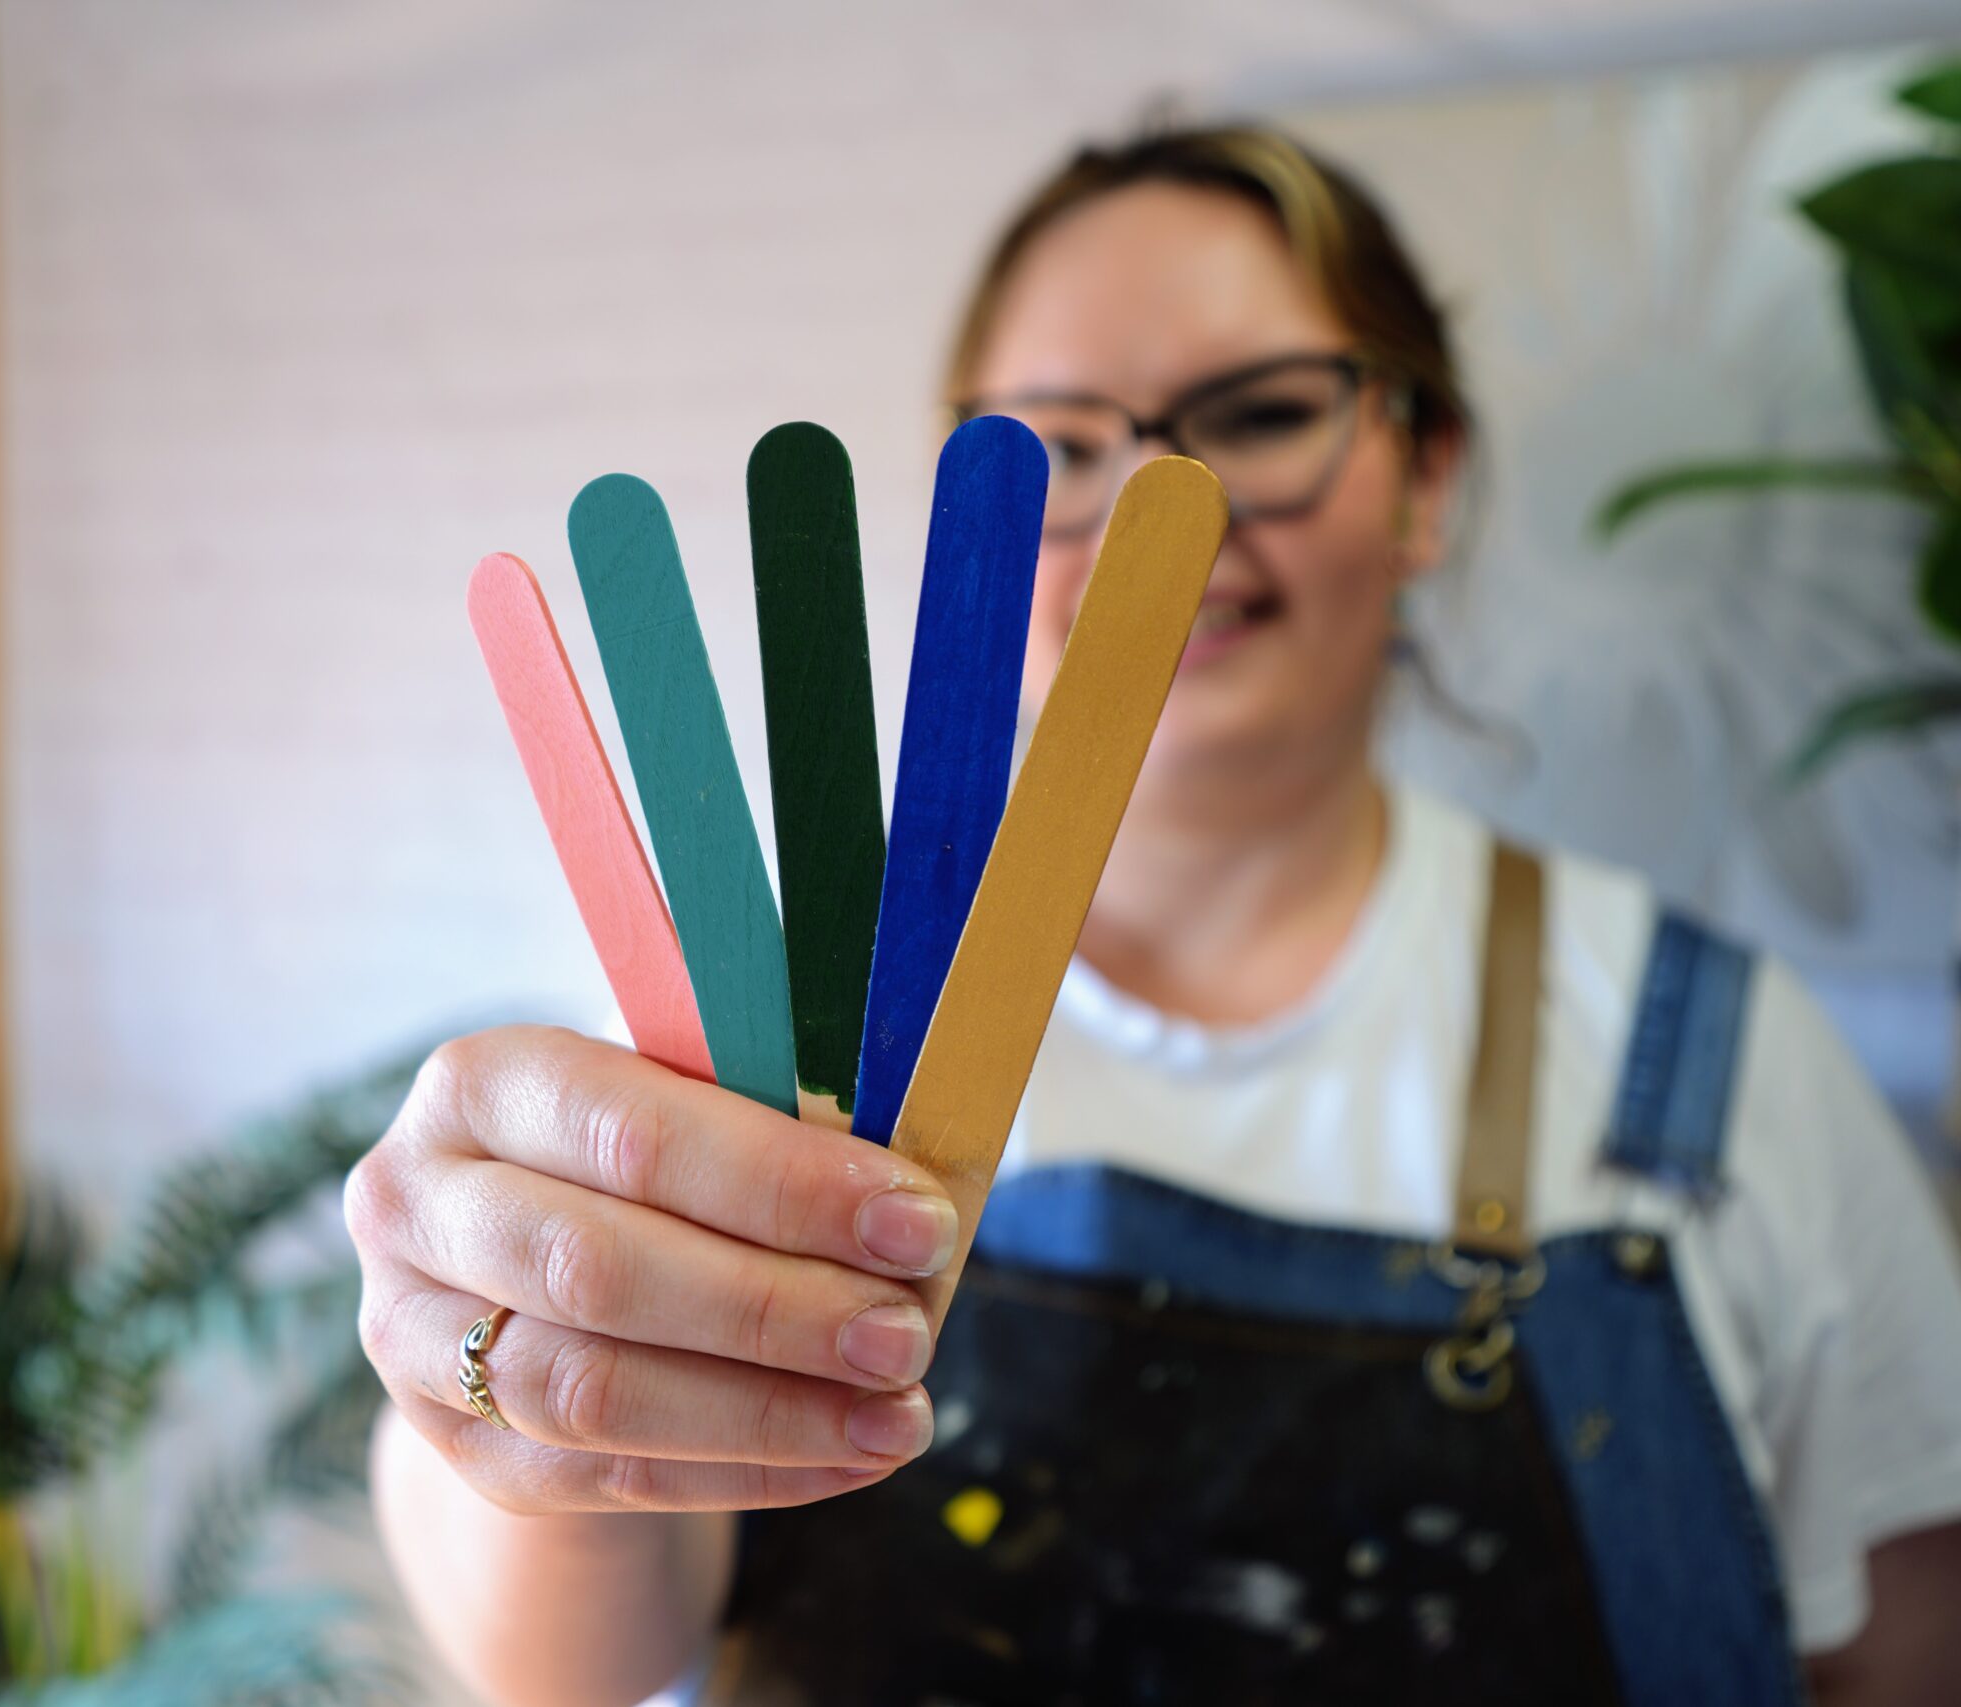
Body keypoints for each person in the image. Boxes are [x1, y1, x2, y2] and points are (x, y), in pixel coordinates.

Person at [346, 125, 1961, 1706]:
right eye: (1056, 443)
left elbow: (1904, 1661)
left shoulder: (1719, 1071)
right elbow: (568, 1673)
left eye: (1261, 414)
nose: (1155, 509)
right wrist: (504, 1386)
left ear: (1425, 478)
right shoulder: (754, 1023)